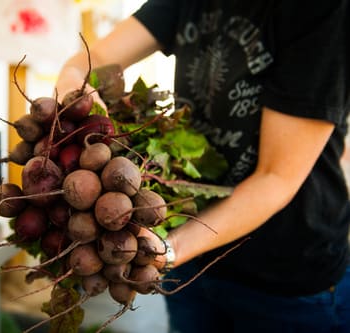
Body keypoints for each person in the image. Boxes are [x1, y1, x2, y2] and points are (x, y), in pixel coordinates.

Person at [54, 1, 350, 332]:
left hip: (287, 277)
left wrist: (171, 248)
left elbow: (275, 178)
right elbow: (84, 63)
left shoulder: (323, 11)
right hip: (193, 264)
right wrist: (73, 83)